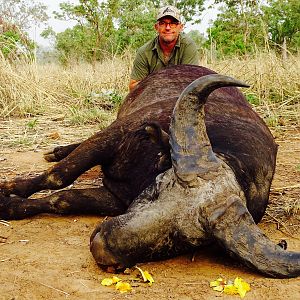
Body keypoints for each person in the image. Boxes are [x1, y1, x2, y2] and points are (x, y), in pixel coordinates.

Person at [129, 5, 199, 91]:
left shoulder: (188, 46)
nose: (168, 28)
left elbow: (191, 81)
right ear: (156, 27)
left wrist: (157, 80)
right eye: (162, 23)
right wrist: (156, 81)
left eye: (173, 23)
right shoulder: (144, 51)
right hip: (152, 95)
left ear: (180, 27)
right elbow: (132, 87)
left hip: (179, 94)